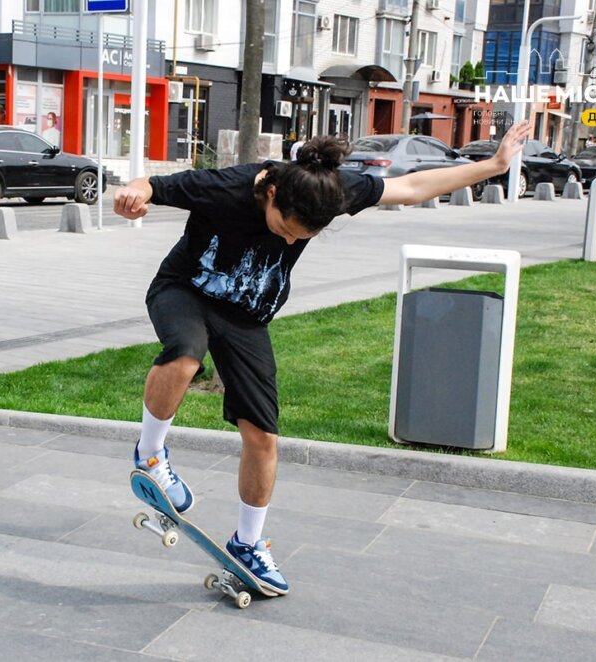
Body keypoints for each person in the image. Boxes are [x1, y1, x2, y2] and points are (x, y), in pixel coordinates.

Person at [114, 119, 533, 593]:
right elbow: (152, 184)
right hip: (184, 290)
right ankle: (150, 454)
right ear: (271, 195)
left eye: (302, 238)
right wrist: (131, 196)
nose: (290, 241)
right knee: (187, 353)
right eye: (285, 230)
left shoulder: (331, 189)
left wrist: (494, 165)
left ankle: (248, 543)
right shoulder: (227, 186)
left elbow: (413, 186)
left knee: (264, 437)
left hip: (246, 317)